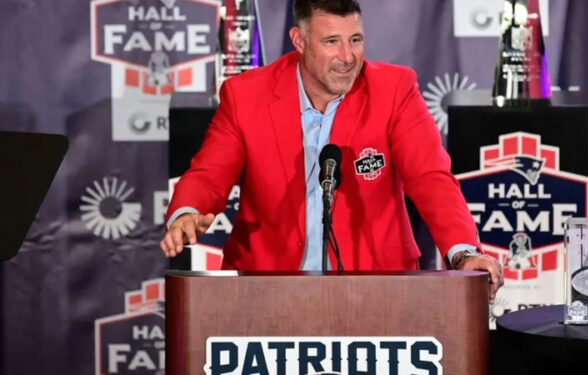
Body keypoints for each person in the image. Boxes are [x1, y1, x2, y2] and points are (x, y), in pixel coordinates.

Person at [160, 0, 503, 300]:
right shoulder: (246, 95)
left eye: (355, 40)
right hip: (265, 289)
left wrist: (462, 253)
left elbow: (431, 179)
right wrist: (187, 211)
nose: (348, 57)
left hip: (378, 287)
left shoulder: (393, 89)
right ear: (299, 40)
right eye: (331, 42)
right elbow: (209, 173)